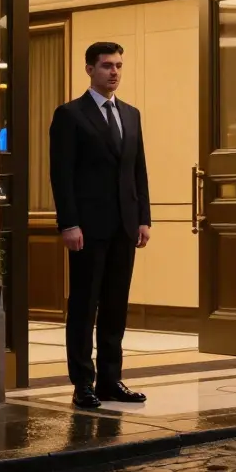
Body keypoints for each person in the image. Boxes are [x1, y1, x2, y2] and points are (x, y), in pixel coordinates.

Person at [49, 41, 152, 408]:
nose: (115, 72)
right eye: (107, 65)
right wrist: (69, 223)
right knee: (84, 305)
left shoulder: (131, 114)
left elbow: (138, 170)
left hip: (125, 226)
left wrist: (143, 218)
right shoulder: (70, 115)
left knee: (115, 306)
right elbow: (61, 175)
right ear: (90, 69)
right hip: (88, 228)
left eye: (119, 65)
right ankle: (83, 383)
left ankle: (111, 380)